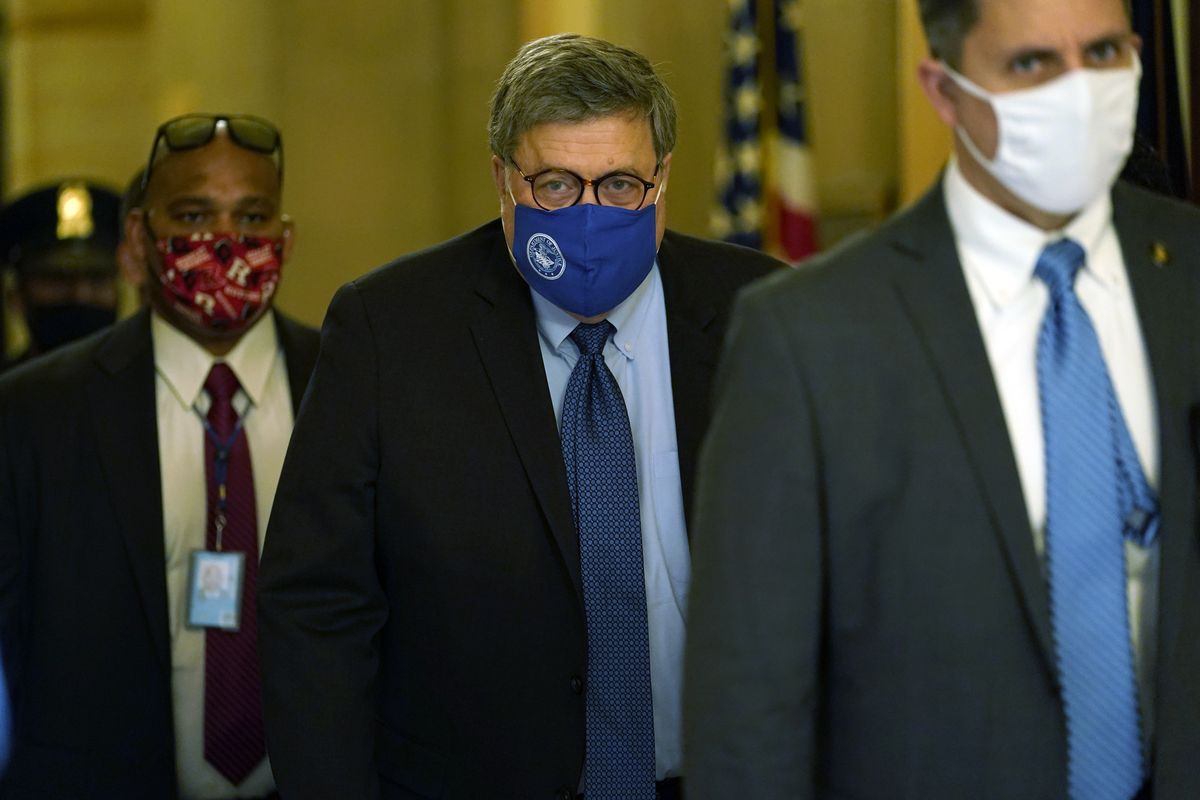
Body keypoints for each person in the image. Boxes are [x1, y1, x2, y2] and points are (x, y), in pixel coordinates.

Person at [684, 0, 1200, 798]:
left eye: (1102, 53)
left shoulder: (1189, 274)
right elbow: (749, 713)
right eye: (1031, 65)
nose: (1079, 91)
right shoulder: (810, 335)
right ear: (945, 89)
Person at [258, 33, 780, 800]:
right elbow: (317, 606)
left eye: (622, 185)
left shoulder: (761, 316)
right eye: (558, 187)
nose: (593, 215)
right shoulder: (391, 330)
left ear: (662, 179)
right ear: (503, 180)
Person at [0, 113, 319, 799]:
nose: (228, 244)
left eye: (252, 216)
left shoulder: (352, 383)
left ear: (284, 241)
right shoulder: (33, 414)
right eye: (196, 214)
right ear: (140, 240)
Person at [0, 179, 122, 369]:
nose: (80, 295)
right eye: (57, 280)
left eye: (98, 279)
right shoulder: (6, 392)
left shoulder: (148, 389)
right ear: (15, 296)